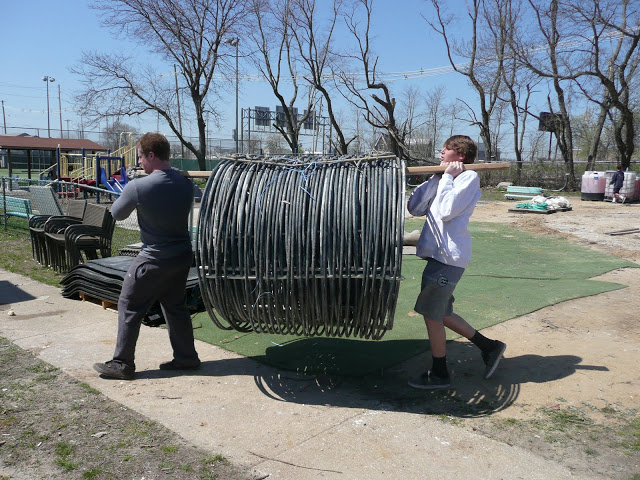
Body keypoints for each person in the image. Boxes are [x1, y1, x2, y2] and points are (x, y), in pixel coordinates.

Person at [93, 132, 200, 380]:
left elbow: (117, 214)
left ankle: (122, 363)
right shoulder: (186, 184)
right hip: (181, 256)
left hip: (153, 259)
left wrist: (131, 192)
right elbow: (198, 196)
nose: (139, 162)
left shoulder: (138, 187)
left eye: (140, 156)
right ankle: (187, 358)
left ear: (151, 155)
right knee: (175, 306)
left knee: (129, 305)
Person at [406, 135, 506, 389]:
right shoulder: (443, 178)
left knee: (432, 315)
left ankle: (440, 374)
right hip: (438, 256)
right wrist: (437, 178)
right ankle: (489, 347)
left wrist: (448, 178)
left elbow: (446, 211)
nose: (441, 152)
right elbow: (415, 208)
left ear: (460, 155)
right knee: (442, 313)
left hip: (449, 258)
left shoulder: (468, 177)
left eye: (447, 149)